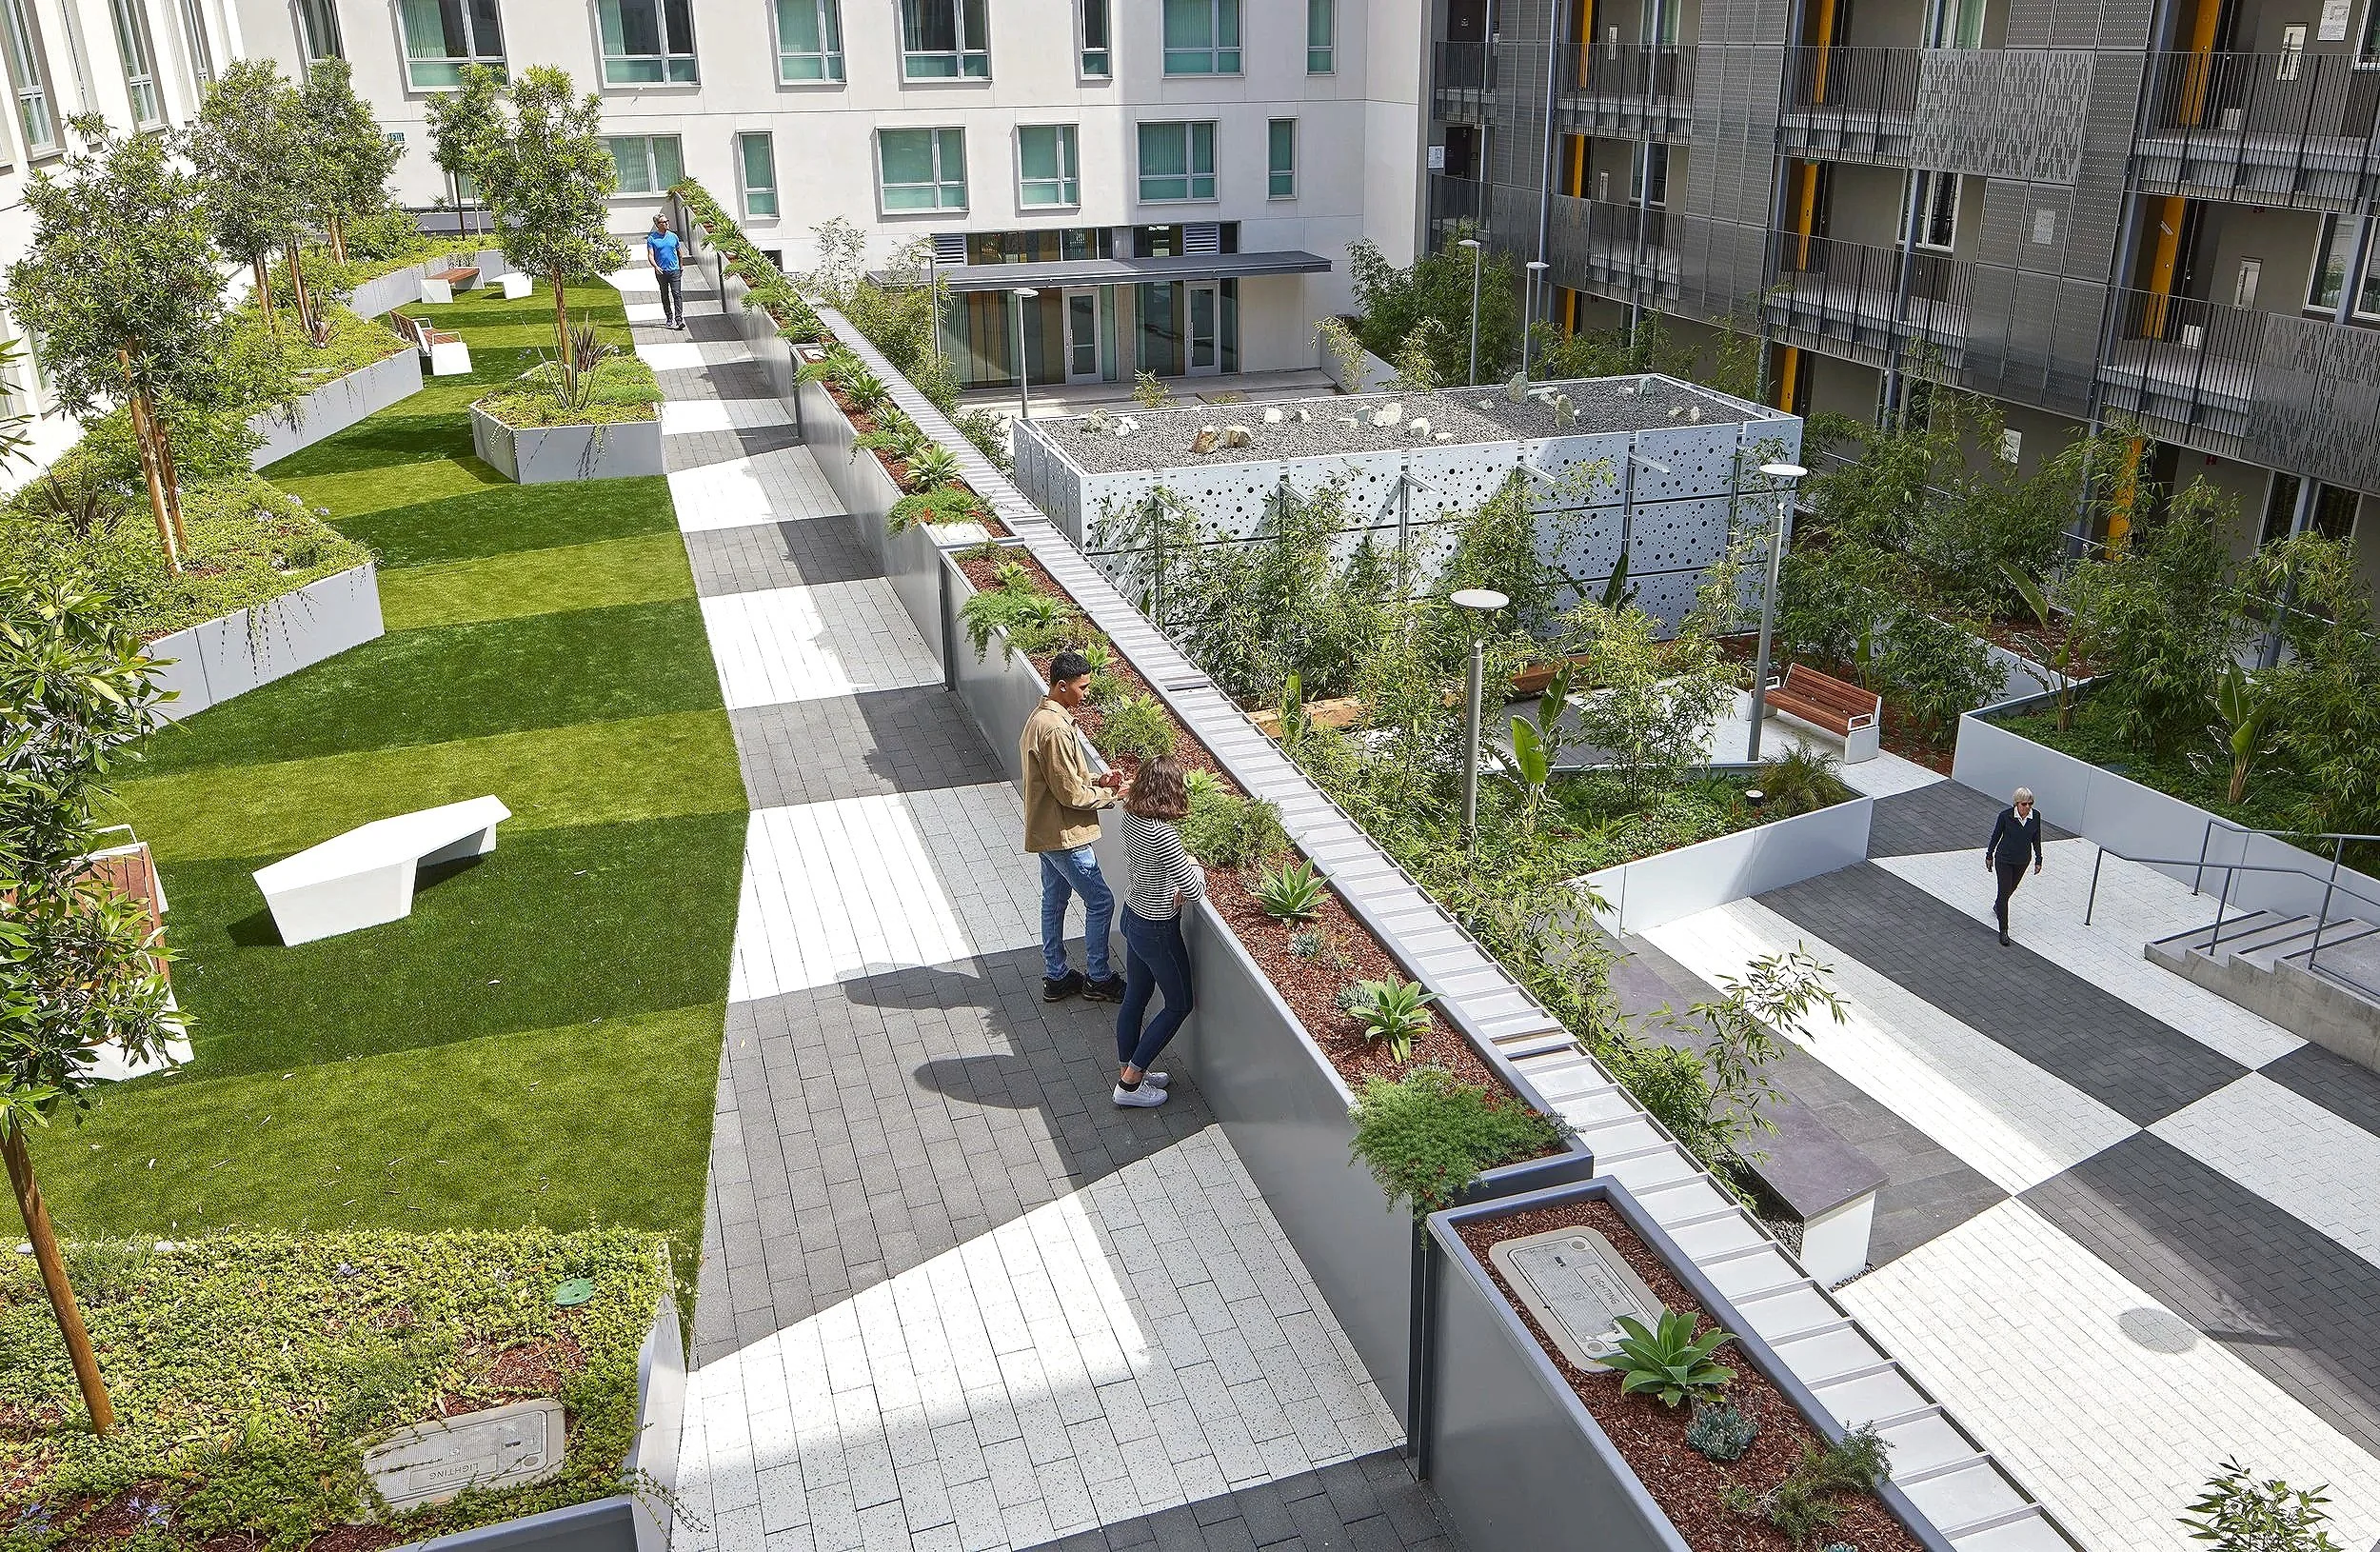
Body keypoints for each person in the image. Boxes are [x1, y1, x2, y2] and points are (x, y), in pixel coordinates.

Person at [1022, 650, 1127, 1004]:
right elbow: (1070, 794)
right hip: (1065, 835)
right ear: (1062, 686)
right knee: (1100, 901)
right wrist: (1111, 793)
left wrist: (1100, 779)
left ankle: (1056, 976)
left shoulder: (1041, 719)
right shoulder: (1054, 730)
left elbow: (1064, 779)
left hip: (1046, 831)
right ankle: (1097, 977)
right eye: (1082, 688)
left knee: (1053, 901)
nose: (1087, 694)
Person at [1112, 755, 1202, 1108]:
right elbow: (1193, 890)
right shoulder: (1162, 834)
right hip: (1157, 930)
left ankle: (1129, 1068)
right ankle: (1130, 1085)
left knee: (1136, 994)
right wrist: (1194, 865)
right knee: (1179, 1004)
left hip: (1132, 915)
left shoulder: (1131, 815)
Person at [1985, 786, 2044, 946]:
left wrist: (2039, 859)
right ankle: (2003, 930)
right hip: (2004, 859)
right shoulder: (2005, 816)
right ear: (2017, 803)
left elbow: (2036, 838)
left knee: (2012, 888)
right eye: (2024, 804)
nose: (2028, 807)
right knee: (2004, 892)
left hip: (2022, 860)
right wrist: (1989, 854)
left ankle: (1999, 906)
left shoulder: (2035, 816)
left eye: (2030, 803)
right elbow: (1996, 835)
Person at [646, 213, 684, 330]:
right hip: (661, 272)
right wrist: (656, 266)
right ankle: (669, 317)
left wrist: (681, 266)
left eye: (667, 221)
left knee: (677, 294)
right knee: (665, 294)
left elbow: (679, 252)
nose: (667, 223)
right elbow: (650, 255)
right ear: (658, 225)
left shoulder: (673, 236)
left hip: (674, 271)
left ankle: (679, 319)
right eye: (664, 222)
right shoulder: (652, 239)